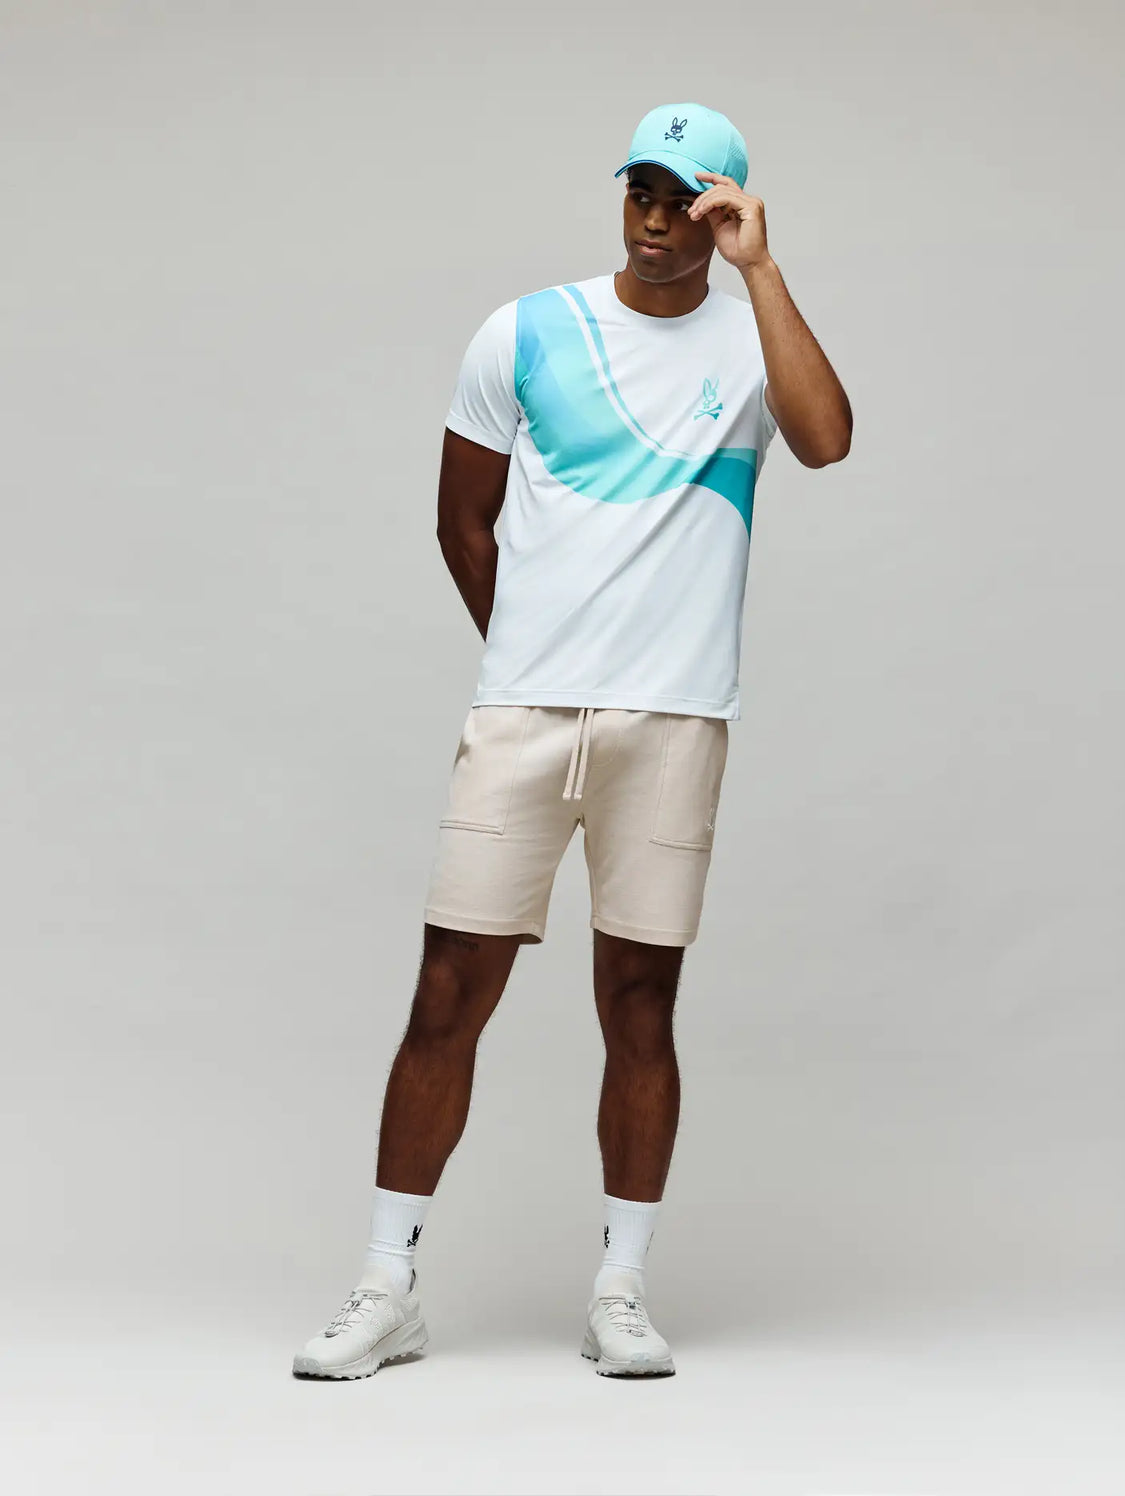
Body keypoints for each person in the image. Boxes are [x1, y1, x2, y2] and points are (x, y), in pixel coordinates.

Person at [292, 101, 851, 1381]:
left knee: (641, 1003)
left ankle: (620, 1288)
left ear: (725, 210)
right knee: (448, 988)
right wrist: (529, 658)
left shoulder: (754, 338)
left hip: (678, 717)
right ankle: (388, 1283)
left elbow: (825, 440)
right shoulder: (528, 329)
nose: (659, 220)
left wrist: (763, 272)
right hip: (527, 713)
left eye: (688, 199)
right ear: (621, 199)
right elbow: (461, 520)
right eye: (640, 193)